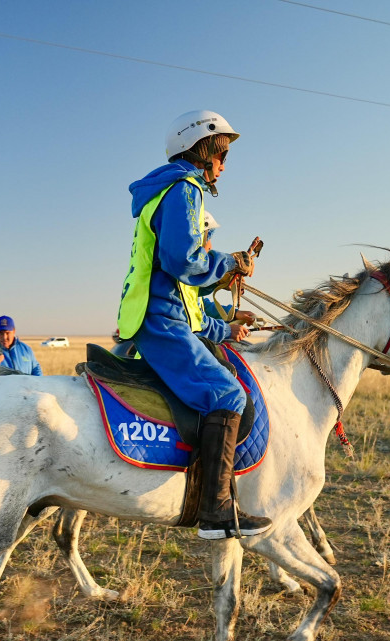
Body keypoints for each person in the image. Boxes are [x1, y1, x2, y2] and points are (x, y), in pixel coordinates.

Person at [116, 109, 270, 540]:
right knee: (226, 393)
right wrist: (228, 263)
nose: (224, 165)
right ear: (203, 150)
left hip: (160, 313)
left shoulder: (171, 189)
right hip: (161, 318)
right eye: (222, 155)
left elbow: (185, 271)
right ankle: (216, 512)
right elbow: (182, 260)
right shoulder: (184, 189)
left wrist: (226, 269)